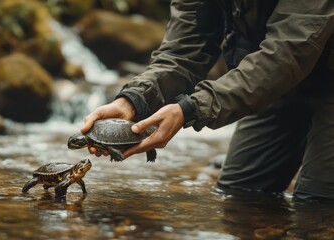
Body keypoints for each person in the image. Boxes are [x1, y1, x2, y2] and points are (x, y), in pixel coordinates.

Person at [80, 0, 334, 201]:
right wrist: (133, 100)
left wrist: (191, 109)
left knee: (317, 202)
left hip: (306, 73)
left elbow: (287, 53)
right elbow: (183, 51)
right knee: (241, 196)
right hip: (269, 88)